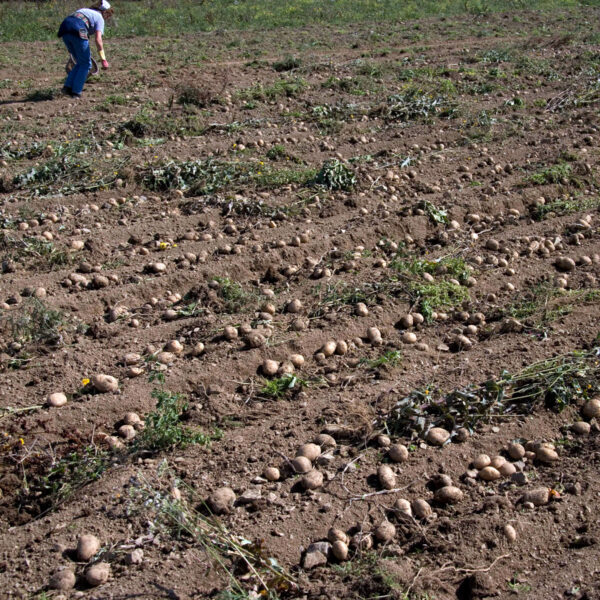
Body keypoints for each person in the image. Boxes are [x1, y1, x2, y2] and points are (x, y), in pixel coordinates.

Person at [57, 1, 113, 98]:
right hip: (78, 30)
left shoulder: (84, 10)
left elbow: (72, 23)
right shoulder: (99, 17)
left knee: (80, 62)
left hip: (65, 29)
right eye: (108, 15)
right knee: (86, 64)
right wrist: (103, 59)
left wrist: (72, 51)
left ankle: (67, 87)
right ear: (104, 12)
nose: (107, 18)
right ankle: (76, 92)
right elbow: (98, 39)